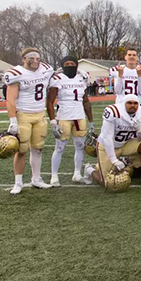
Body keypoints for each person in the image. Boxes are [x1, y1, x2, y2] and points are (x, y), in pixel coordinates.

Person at [4, 48, 55, 194]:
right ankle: (18, 182)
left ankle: (36, 179)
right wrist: (13, 120)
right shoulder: (16, 74)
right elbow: (10, 99)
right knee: (21, 150)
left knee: (38, 148)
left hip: (40, 114)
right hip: (24, 115)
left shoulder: (45, 69)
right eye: (31, 58)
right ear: (23, 59)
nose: (35, 61)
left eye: (38, 58)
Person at [82, 95, 141, 188]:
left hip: (126, 143)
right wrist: (114, 160)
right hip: (107, 146)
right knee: (106, 183)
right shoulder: (114, 112)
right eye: (129, 103)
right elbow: (108, 138)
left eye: (135, 103)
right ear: (124, 103)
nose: (132, 106)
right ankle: (89, 169)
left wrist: (139, 130)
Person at [46, 56, 94, 186]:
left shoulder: (82, 77)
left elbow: (86, 101)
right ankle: (54, 176)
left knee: (80, 146)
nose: (70, 66)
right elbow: (49, 102)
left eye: (72, 63)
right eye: (66, 64)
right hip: (64, 117)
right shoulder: (57, 78)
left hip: (79, 117)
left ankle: (77, 174)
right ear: (62, 65)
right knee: (60, 147)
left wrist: (91, 121)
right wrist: (52, 121)